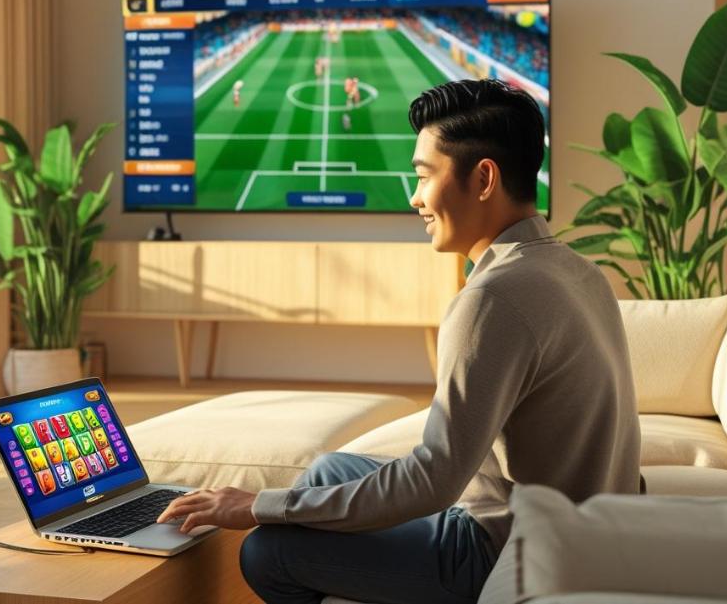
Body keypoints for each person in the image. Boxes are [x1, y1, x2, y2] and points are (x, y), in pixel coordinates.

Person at [157, 79, 642, 604]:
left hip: (514, 545)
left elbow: (434, 479)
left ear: (483, 178)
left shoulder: (493, 298)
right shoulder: (578, 270)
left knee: (265, 551)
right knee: (327, 470)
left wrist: (257, 506)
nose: (415, 198)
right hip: (581, 524)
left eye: (424, 176)